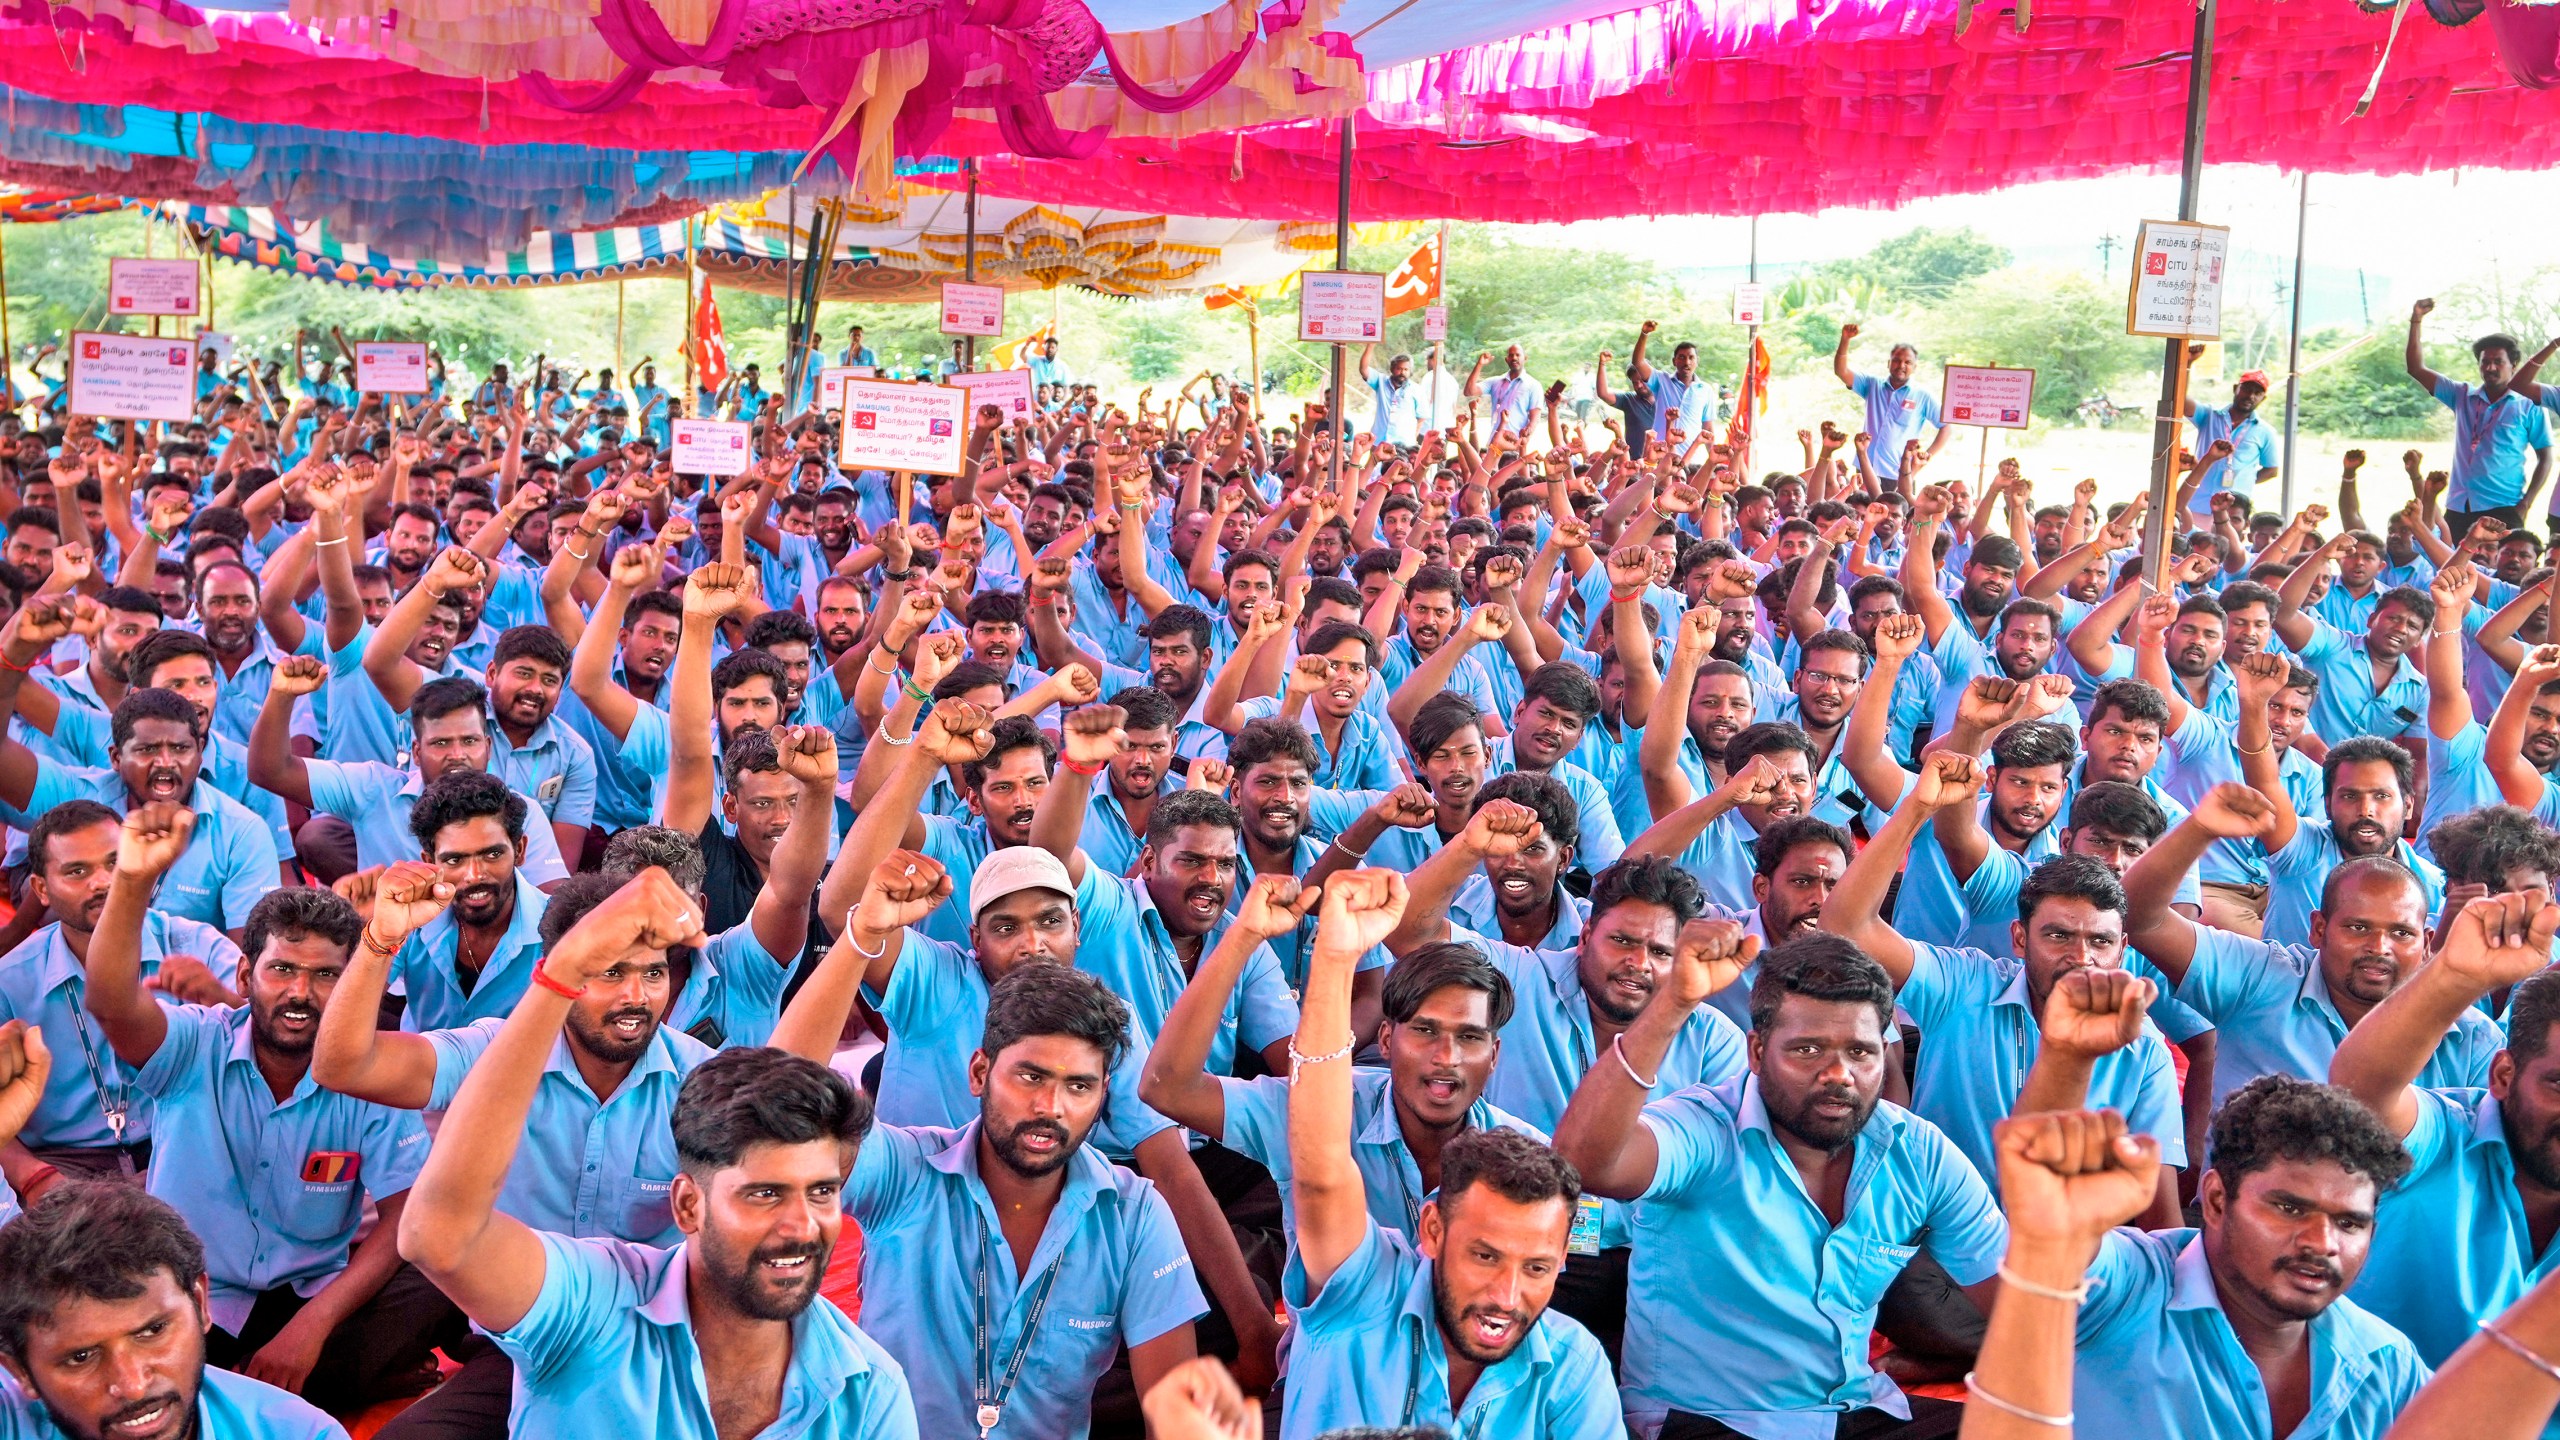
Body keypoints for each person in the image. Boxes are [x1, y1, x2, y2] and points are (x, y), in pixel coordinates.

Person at [393, 867, 918, 1439]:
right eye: (764, 1194)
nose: (801, 1226)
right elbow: (437, 1236)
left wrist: (861, 936)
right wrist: (563, 974)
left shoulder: (868, 1390)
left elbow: (784, 1069)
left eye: (822, 1192)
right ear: (688, 1206)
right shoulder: (594, 1310)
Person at [311, 864, 713, 1440]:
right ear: (555, 971)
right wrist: (381, 939)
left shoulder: (699, 1077)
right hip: (522, 1346)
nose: (636, 995)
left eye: (653, 973)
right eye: (610, 971)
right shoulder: (492, 1052)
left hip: (658, 1348)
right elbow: (342, 1065)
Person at [83, 803, 459, 1418]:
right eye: (281, 969)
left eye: (325, 976)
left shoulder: (371, 1075)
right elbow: (110, 1000)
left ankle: (245, 1388)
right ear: (243, 973)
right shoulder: (192, 1045)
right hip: (190, 1295)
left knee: (446, 1262)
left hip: (312, 1296)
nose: (300, 993)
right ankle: (291, 1389)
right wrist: (129, 881)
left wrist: (310, 1326)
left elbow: (401, 1219)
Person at [1556, 931, 2007, 1438]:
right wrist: (1673, 1004)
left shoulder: (1918, 1152)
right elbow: (1586, 1165)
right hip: (1708, 1422)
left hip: (1856, 1413)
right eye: (1808, 1049)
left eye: (1860, 1052)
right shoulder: (1703, 1127)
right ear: (1756, 1050)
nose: (1838, 1074)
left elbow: (2020, 1304)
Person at [1277, 866, 1620, 1439]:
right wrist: (1336, 959)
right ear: (1431, 1230)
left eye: (1536, 1267)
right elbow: (1320, 1170)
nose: (1506, 1297)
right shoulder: (1361, 1290)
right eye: (1484, 1256)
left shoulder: (1573, 1366)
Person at [833, 959, 1206, 1439]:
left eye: (1078, 1086)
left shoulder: (1133, 1216)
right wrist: (858, 942)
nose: (1051, 1107)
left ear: (1102, 1096)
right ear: (979, 1072)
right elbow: (781, 1113)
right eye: (1030, 1077)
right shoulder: (903, 1173)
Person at [1826, 753, 2187, 1220]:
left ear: (2121, 951)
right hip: (1930, 1237)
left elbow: (2160, 1221)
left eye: (2099, 941)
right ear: (2019, 939)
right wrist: (1916, 809)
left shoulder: (2144, 1053)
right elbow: (1846, 926)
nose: (2081, 958)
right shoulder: (1964, 984)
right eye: (2058, 936)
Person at [2122, 783, 2499, 1114]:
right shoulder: (2260, 978)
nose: (2379, 947)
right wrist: (2199, 831)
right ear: (2318, 929)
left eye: (2401, 933)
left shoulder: (2469, 1038)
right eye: (2358, 927)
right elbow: (2140, 920)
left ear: (2427, 942)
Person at [0, 801, 240, 1189]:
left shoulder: (195, 945)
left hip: (187, 1144)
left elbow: (272, 1044)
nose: (103, 882)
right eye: (77, 871)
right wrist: (35, 1178)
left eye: (116, 862)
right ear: (41, 889)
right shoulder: (10, 980)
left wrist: (221, 997)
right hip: (65, 1163)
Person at [0, 1181, 348, 1440]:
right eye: (81, 1356)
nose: (133, 1386)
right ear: (21, 1372)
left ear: (199, 1304)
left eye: (152, 1331)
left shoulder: (299, 1434)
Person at [2406, 297, 2552, 532]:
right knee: (2449, 567)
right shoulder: (2462, 395)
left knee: (2501, 568)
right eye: (2485, 362)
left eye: (2498, 362)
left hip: (2504, 508)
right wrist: (2416, 319)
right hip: (2459, 506)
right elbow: (2416, 369)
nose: (2490, 368)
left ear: (2514, 365)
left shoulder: (2530, 405)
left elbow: (2545, 457)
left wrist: (2526, 504)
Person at [1833, 325, 1948, 489]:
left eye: (1908, 362)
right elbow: (1841, 371)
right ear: (1889, 363)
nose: (1901, 365)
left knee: (1896, 514)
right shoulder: (1872, 385)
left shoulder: (1922, 396)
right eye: (1896, 360)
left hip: (1898, 474)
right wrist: (1845, 339)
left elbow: (1946, 426)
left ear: (1915, 367)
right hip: (1865, 469)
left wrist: (1926, 456)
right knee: (1860, 512)